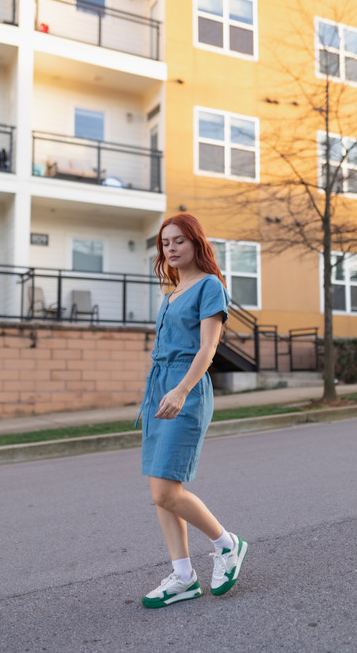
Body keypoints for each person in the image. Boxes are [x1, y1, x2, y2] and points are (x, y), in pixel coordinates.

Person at [138, 213, 248, 609]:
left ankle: (226, 543)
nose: (171, 247)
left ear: (196, 243)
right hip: (159, 391)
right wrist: (161, 391)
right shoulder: (170, 293)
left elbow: (208, 348)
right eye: (165, 242)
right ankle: (183, 576)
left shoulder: (210, 287)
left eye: (179, 240)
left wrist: (181, 390)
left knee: (169, 489)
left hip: (186, 390)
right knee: (159, 493)